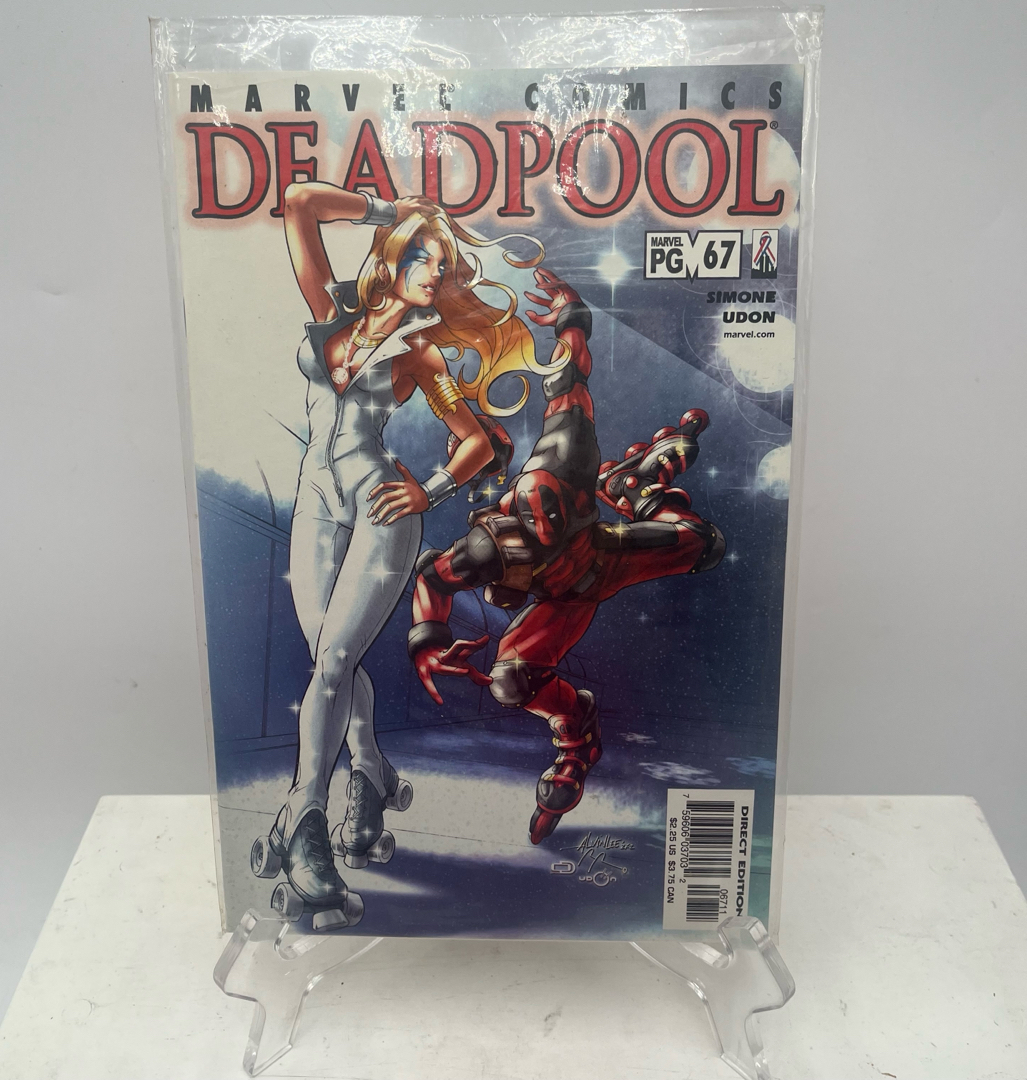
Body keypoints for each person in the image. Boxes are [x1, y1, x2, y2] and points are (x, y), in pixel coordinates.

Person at [251, 183, 564, 929]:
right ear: (392, 258)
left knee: (333, 663)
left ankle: (304, 819)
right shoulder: (332, 312)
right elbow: (298, 202)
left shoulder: (421, 352)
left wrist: (428, 490)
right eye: (422, 257)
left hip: (379, 507)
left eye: (443, 263)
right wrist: (393, 213)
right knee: (330, 661)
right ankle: (372, 773)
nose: (433, 271)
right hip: (315, 501)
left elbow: (477, 442)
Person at [408, 268, 726, 844]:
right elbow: (433, 579)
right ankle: (577, 734)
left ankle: (638, 490)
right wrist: (427, 644)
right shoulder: (491, 547)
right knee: (511, 680)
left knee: (705, 545)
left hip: (604, 557)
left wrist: (571, 315)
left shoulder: (566, 453)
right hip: (566, 596)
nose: (542, 525)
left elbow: (570, 377)